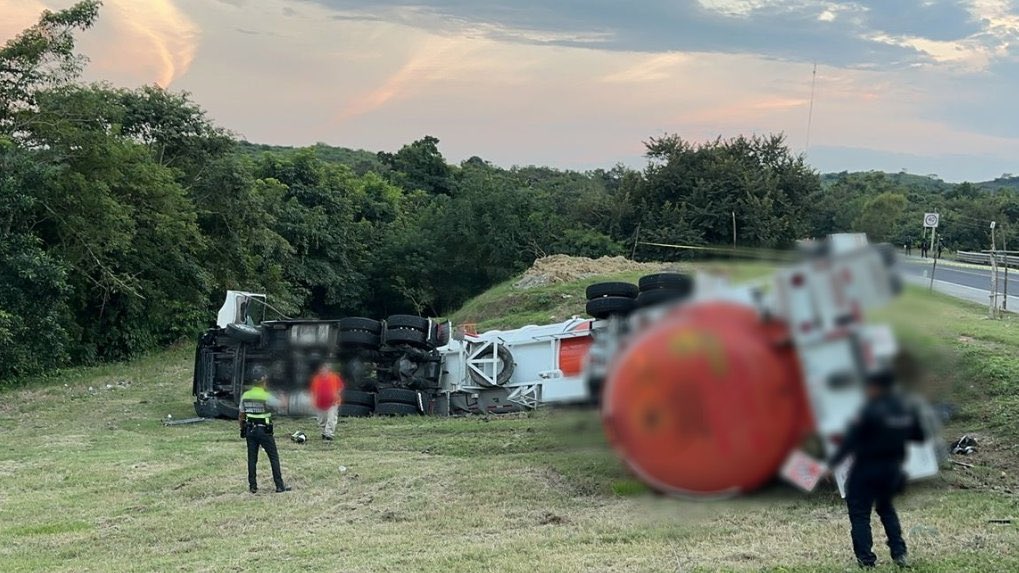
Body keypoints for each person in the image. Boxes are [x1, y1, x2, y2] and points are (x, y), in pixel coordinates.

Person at [824, 370, 926, 568]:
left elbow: (850, 442)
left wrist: (832, 465)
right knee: (887, 510)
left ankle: (866, 560)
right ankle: (899, 553)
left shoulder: (869, 412)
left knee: (860, 515)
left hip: (865, 471)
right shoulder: (905, 410)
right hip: (891, 470)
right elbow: (919, 436)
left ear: (876, 388)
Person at [239, 371, 290, 494]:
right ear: (264, 382)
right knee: (273, 457)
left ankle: (253, 486)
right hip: (264, 431)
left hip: (250, 430)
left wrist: (242, 429)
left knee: (252, 458)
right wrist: (283, 395)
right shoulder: (265, 396)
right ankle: (279, 486)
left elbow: (241, 415)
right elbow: (283, 405)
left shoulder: (245, 395)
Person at [310, 361, 344, 441]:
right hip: (320, 403)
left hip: (333, 402)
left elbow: (341, 386)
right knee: (322, 420)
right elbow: (313, 391)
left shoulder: (334, 377)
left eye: (325, 369)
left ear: (328, 369)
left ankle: (329, 434)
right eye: (321, 369)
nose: (323, 370)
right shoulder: (316, 379)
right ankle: (324, 432)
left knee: (331, 418)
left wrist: (337, 393)